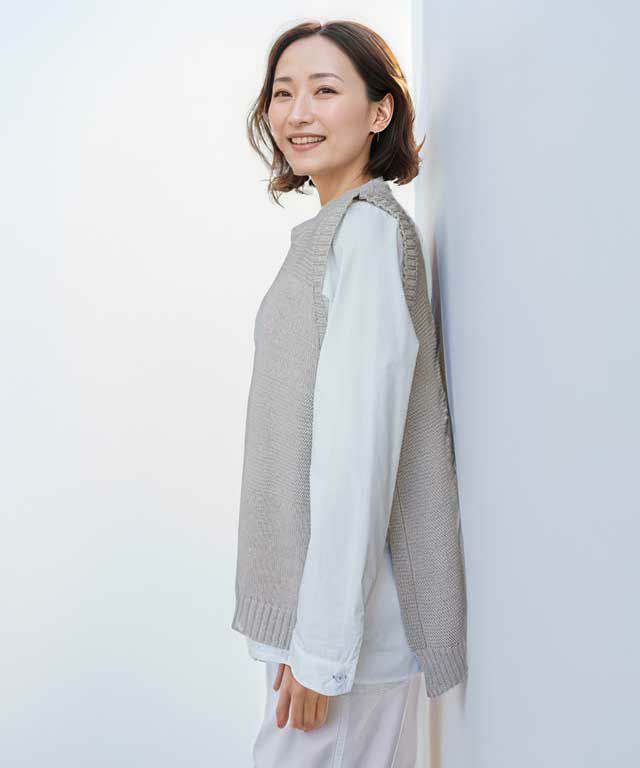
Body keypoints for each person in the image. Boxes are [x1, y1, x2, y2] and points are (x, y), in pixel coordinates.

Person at [231, 19, 468, 767]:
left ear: (379, 110)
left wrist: (324, 651)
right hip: (321, 625)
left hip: (347, 637)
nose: (298, 113)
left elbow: (357, 452)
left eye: (325, 90)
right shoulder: (331, 234)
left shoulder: (366, 236)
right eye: (283, 93)